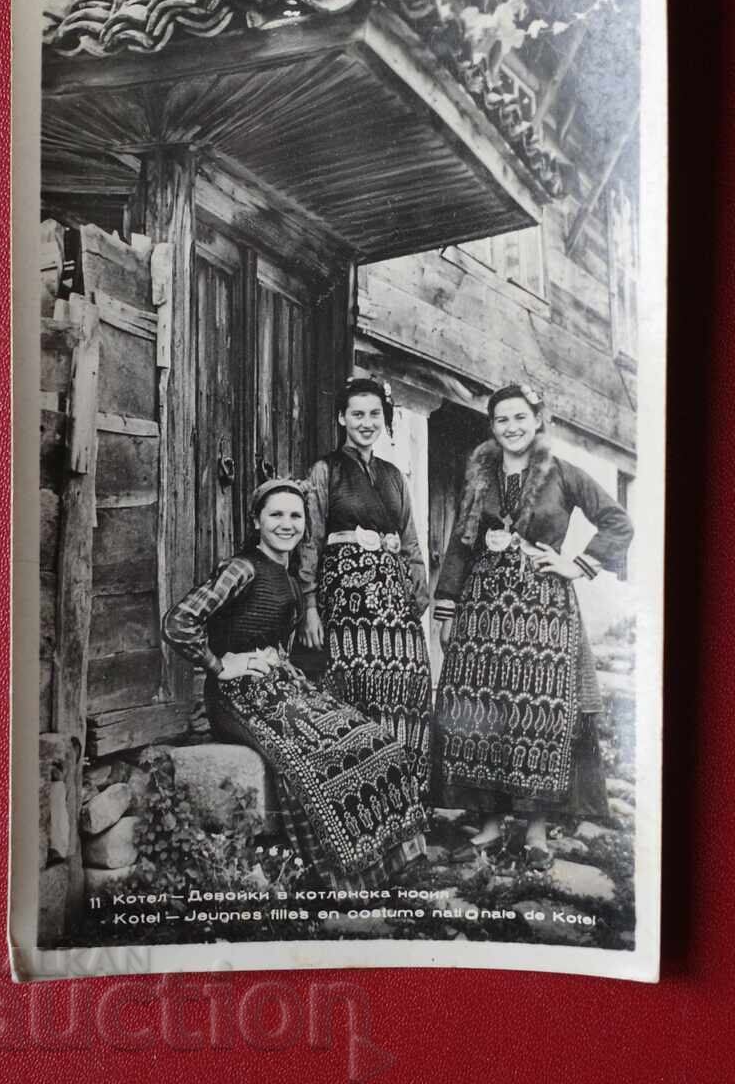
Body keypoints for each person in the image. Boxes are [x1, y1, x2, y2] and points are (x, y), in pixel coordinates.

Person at [162, 479, 427, 890]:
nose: (286, 524)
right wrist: (218, 665)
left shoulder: (287, 577)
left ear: (306, 524)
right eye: (275, 515)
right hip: (239, 697)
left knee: (373, 739)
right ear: (256, 521)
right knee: (315, 756)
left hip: (279, 686)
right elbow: (180, 622)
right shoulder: (242, 568)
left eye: (295, 516)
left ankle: (389, 865)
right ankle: (343, 881)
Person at [432, 383, 634, 869]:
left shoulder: (563, 473)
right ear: (493, 426)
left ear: (537, 420)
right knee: (483, 714)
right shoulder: (480, 474)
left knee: (539, 716)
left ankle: (538, 832)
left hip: (542, 614)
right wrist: (447, 605)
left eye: (520, 417)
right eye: (502, 420)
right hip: (483, 614)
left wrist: (578, 564)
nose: (511, 427)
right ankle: (490, 826)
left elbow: (617, 522)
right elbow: (461, 541)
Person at [298, 377, 433, 799]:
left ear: (384, 419)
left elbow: (410, 539)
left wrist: (418, 590)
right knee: (358, 691)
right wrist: (309, 605)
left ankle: (408, 801)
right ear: (342, 418)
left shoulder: (394, 476)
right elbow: (310, 538)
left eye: (375, 414)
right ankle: (365, 800)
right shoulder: (326, 470)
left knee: (407, 688)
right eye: (357, 413)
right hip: (347, 601)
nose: (366, 422)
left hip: (396, 604)